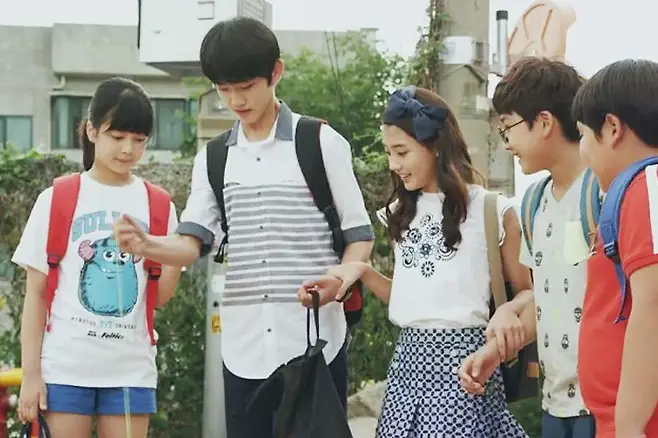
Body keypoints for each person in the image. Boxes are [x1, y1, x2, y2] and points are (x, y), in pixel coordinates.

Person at [113, 16, 374, 438]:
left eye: (246, 87)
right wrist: (147, 245)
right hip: (243, 349)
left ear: (276, 73)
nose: (235, 100)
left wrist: (340, 280)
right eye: (224, 88)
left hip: (315, 343)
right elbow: (192, 243)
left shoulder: (321, 143)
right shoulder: (214, 158)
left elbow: (359, 237)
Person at [302, 86, 532, 437]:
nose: (393, 165)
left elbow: (530, 294)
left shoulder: (492, 210)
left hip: (468, 364)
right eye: (389, 153)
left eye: (402, 152)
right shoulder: (399, 213)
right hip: (407, 364)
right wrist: (362, 272)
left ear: (436, 145)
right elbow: (411, 298)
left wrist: (507, 313)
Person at [14, 77, 181, 438]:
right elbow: (36, 294)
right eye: (117, 136)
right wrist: (31, 374)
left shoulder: (158, 205)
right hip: (65, 369)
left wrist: (168, 251)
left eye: (139, 140)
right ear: (91, 131)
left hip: (131, 371)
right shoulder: (58, 198)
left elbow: (159, 297)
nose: (128, 149)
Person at [459, 57, 596, 438]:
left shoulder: (601, 192)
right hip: (555, 403)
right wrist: (498, 346)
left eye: (508, 128)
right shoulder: (534, 202)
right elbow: (549, 299)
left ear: (545, 122)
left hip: (605, 403)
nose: (507, 144)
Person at [573, 59, 658, 438]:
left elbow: (654, 302)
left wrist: (629, 424)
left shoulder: (648, 185)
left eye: (583, 135)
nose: (583, 152)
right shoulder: (637, 190)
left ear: (612, 128)